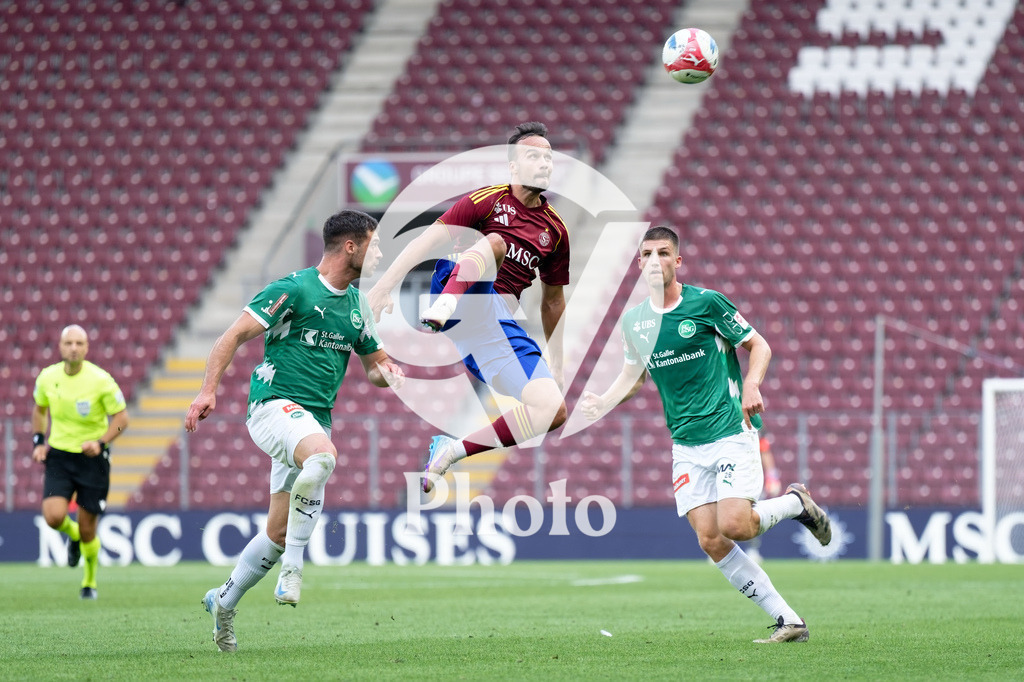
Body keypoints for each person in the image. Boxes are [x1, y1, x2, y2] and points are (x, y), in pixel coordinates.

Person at [580, 226, 831, 644]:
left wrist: (752, 385)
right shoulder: (635, 323)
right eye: (647, 254)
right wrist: (602, 401)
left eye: (664, 252)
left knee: (735, 525)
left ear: (677, 262)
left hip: (730, 430)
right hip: (685, 444)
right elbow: (633, 377)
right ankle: (790, 621)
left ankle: (794, 503)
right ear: (639, 264)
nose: (654, 260)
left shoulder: (706, 303)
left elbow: (760, 346)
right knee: (710, 539)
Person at [185, 209, 404, 653]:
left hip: (312, 419)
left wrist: (391, 372)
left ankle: (222, 602)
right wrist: (207, 390)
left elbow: (374, 368)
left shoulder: (358, 307)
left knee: (278, 534)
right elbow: (232, 336)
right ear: (351, 246)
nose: (380, 253)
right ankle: (294, 571)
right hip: (272, 407)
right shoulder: (295, 288)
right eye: (375, 244)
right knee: (323, 457)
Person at [368, 121, 569, 493]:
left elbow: (553, 300)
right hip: (455, 289)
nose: (544, 163)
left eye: (548, 157)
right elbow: (426, 242)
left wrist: (556, 361)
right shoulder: (486, 200)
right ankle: (447, 304)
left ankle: (452, 450)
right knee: (494, 242)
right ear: (513, 166)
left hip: (494, 324)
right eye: (533, 156)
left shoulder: (555, 230)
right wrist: (383, 286)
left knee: (552, 410)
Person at [31, 324, 130, 600]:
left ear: (86, 348)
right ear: (61, 347)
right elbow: (39, 411)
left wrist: (100, 443)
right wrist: (38, 441)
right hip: (60, 456)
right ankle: (70, 534)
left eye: (79, 343)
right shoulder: (47, 378)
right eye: (69, 343)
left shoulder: (101, 380)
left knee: (89, 529)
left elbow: (122, 420)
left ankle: (89, 582)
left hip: (93, 459)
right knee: (53, 517)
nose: (73, 348)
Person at [744, 436, 782, 564]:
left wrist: (772, 478)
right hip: (736, 477)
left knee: (753, 516)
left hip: (753, 481)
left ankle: (753, 549)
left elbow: (766, 455)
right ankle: (722, 548)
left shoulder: (758, 437)